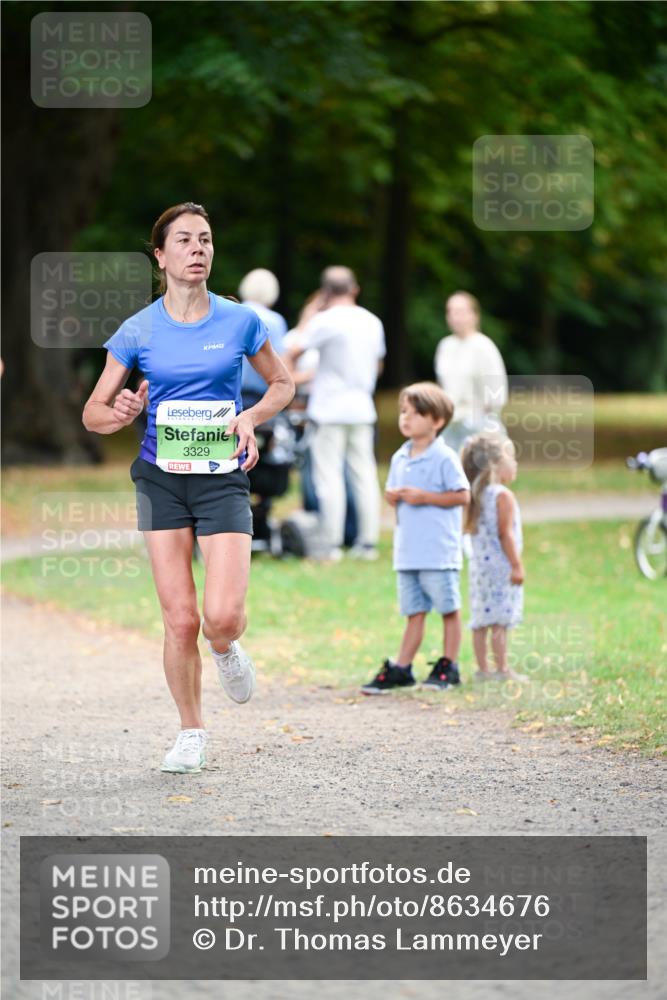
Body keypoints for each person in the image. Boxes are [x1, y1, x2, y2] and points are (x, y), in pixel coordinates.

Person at [82, 202, 294, 773]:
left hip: (222, 476)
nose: (197, 249)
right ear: (161, 255)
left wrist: (250, 417)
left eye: (205, 240)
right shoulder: (137, 330)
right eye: (184, 240)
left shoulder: (241, 321)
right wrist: (123, 409)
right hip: (160, 480)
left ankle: (226, 647)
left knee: (219, 616)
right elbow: (93, 414)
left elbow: (282, 383)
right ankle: (191, 731)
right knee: (180, 619)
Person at [361, 383, 470, 695]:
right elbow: (396, 494)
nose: (406, 418)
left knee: (448, 608)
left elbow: (462, 496)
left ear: (436, 421)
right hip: (408, 551)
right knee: (414, 612)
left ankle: (449, 664)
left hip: (438, 550)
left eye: (415, 413)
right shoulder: (400, 457)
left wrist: (424, 497)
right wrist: (392, 497)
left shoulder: (444, 457)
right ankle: (403, 667)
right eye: (403, 412)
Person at [287, 266, 385, 561]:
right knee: (364, 475)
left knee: (329, 477)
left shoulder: (324, 320)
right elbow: (378, 365)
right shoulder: (372, 321)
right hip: (362, 407)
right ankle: (367, 541)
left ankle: (331, 542)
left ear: (326, 293)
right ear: (354, 289)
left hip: (329, 408)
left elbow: (293, 351)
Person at [461, 434, 526, 682]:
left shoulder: (474, 495)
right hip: (501, 568)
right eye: (512, 457)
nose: (516, 464)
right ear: (495, 464)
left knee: (480, 620)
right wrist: (517, 565)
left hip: (479, 570)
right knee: (499, 621)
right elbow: (505, 534)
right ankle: (502, 669)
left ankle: (483, 670)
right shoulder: (502, 495)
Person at [434, 291, 508, 454]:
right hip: (450, 424)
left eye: (460, 312)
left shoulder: (484, 346)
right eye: (450, 312)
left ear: (474, 315)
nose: (454, 317)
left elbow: (496, 389)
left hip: (477, 423)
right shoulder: (445, 346)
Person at [239, 268, 288, 407]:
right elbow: (281, 362)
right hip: (260, 398)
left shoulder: (233, 315)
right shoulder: (275, 321)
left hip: (229, 396)